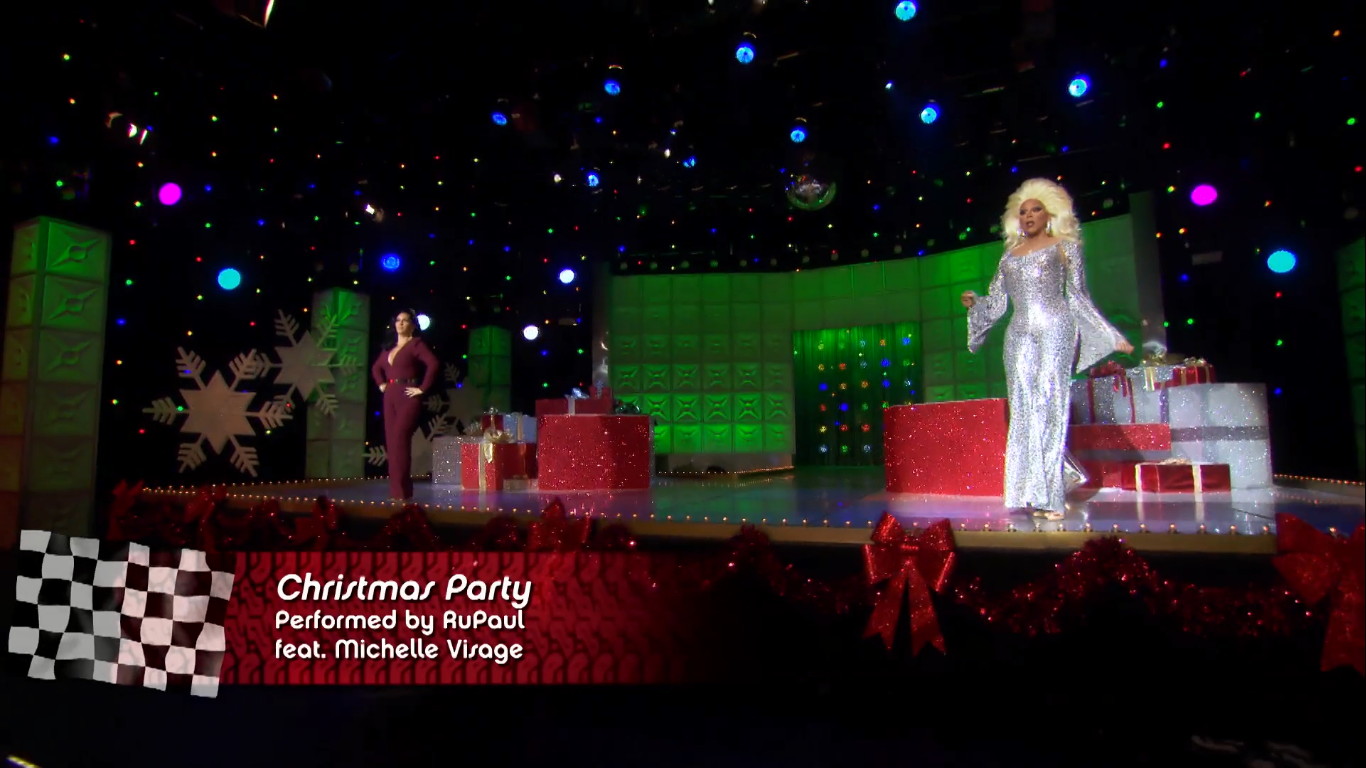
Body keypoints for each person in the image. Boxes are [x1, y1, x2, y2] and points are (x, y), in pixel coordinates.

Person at [961, 179, 1134, 520]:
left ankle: (1051, 496)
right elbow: (997, 301)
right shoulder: (1009, 257)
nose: (1029, 216)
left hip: (1056, 326)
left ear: (1049, 214)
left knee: (1050, 403)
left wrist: (1110, 335)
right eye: (1023, 211)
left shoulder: (1064, 247)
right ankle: (1029, 493)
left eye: (1036, 209)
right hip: (1019, 332)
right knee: (1024, 409)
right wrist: (975, 304)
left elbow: (1079, 296)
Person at [370, 309, 439, 500]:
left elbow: (433, 364)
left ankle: (401, 491)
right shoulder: (388, 348)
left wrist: (422, 388)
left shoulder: (416, 344)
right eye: (398, 320)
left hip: (408, 396)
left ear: (413, 325)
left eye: (405, 320)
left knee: (400, 439)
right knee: (392, 444)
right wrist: (381, 384)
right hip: (390, 396)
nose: (400, 323)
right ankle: (398, 492)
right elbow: (376, 368)